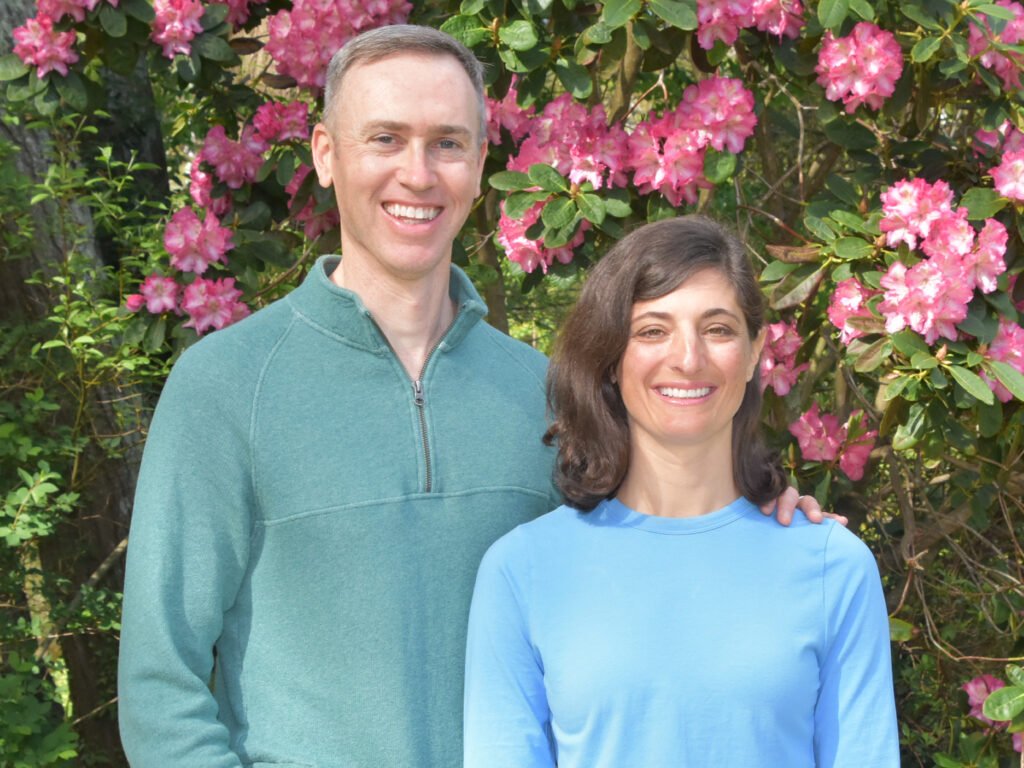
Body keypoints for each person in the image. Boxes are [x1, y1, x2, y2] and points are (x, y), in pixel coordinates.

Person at [117, 26, 828, 768]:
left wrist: (772, 517)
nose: (418, 174)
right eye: (385, 139)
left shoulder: (546, 393)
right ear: (326, 155)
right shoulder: (226, 387)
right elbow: (161, 687)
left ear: (482, 164)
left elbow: (662, 551)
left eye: (447, 143)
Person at [463, 216, 899, 768]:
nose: (688, 358)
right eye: (652, 330)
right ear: (611, 358)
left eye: (717, 329)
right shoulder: (520, 571)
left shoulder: (833, 567)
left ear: (753, 350)